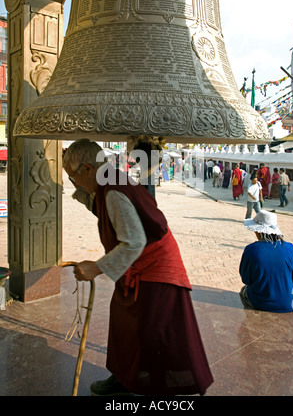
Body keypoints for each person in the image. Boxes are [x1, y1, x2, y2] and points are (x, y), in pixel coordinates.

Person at [62, 139, 213, 396]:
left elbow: (134, 243)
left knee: (153, 332)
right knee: (126, 323)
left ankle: (155, 388)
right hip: (140, 265)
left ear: (88, 169)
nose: (74, 182)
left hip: (153, 267)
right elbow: (101, 209)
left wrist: (96, 268)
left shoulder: (113, 191)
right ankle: (125, 377)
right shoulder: (109, 178)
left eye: (73, 176)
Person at [239, 210, 293, 313]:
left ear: (258, 231)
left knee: (243, 291)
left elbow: (246, 279)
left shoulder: (251, 249)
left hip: (260, 303)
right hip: (291, 304)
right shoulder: (291, 249)